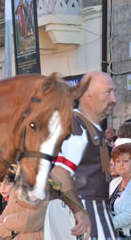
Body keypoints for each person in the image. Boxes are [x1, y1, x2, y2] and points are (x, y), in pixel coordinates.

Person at [45, 71, 117, 240]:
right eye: (108, 92)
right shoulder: (77, 128)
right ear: (87, 94)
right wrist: (78, 210)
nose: (114, 99)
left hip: (79, 205)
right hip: (84, 206)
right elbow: (58, 172)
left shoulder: (83, 126)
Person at [108, 143, 131, 238]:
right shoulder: (114, 182)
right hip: (110, 231)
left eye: (126, 161)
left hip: (128, 235)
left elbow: (130, 216)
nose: (121, 165)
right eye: (118, 161)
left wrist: (106, 224)